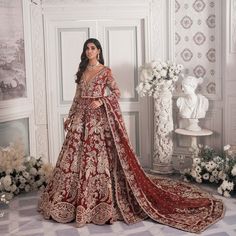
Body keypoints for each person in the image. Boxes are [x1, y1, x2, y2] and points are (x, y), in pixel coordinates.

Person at [38, 38, 224, 233]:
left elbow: (116, 93)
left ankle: (100, 201)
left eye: (92, 48)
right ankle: (72, 200)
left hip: (98, 122)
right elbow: (77, 98)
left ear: (99, 51)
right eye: (87, 48)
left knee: (98, 160)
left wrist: (101, 101)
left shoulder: (105, 71)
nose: (89, 51)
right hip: (80, 119)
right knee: (73, 159)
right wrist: (70, 117)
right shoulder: (83, 70)